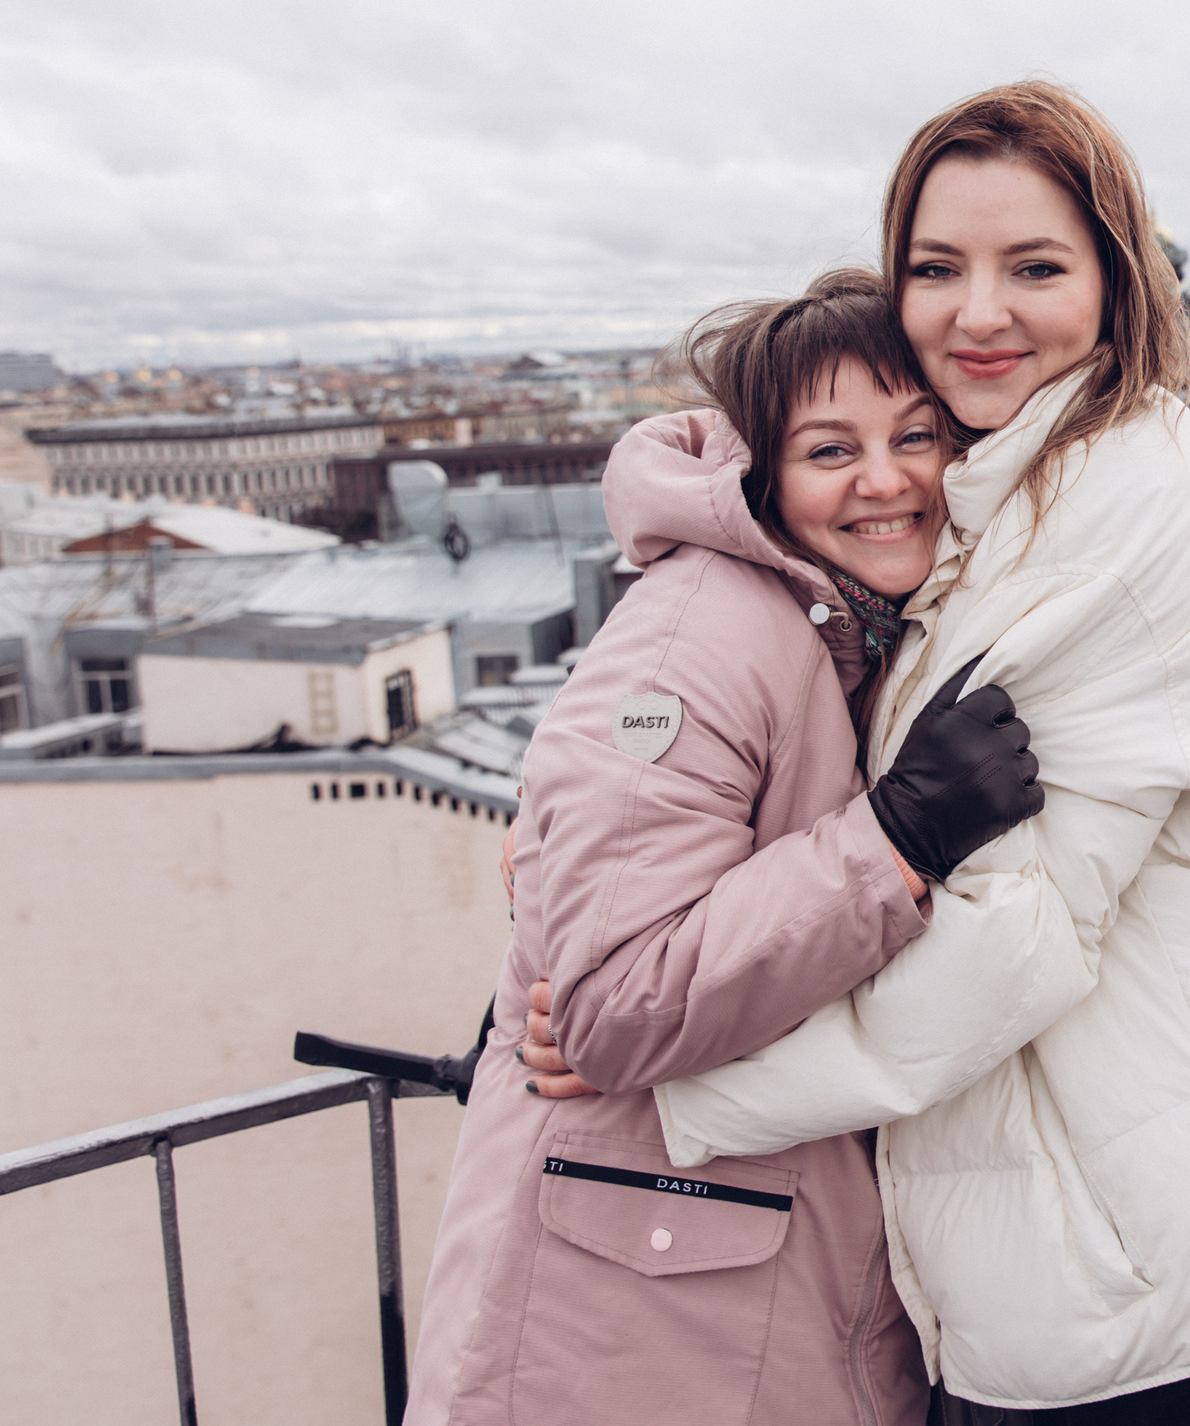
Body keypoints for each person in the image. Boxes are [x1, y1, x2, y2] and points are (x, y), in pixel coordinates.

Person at [643, 82, 1190, 1421]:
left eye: (1035, 266)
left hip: (1168, 1276)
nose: (979, 312)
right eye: (935, 268)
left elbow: (1007, 937)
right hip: (1156, 1222)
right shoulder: (1025, 474)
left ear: (1120, 283)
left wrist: (672, 1081)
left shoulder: (1106, 519)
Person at [403, 272, 1044, 1426]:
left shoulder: (830, 622)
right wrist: (895, 839)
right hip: (629, 1303)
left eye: (916, 436)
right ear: (764, 477)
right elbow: (613, 1001)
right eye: (830, 449)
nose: (887, 479)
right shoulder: (698, 638)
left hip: (706, 1265)